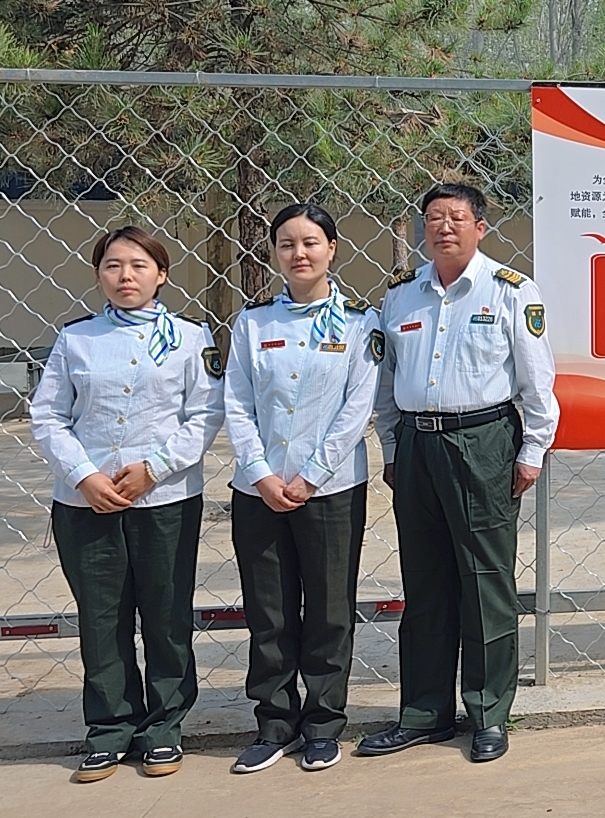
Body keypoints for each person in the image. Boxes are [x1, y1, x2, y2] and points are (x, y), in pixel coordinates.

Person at [358, 183, 559, 763]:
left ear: (480, 228)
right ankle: (424, 714)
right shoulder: (401, 296)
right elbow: (386, 385)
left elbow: (537, 382)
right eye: (434, 218)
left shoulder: (511, 291)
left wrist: (532, 450)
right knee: (424, 584)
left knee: (485, 582)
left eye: (457, 217)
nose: (444, 227)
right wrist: (392, 448)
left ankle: (488, 713)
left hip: (483, 441)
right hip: (416, 446)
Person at [30, 226, 225, 783]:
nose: (125, 277)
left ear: (161, 274)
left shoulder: (190, 337)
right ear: (98, 275)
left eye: (139, 266)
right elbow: (48, 415)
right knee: (102, 619)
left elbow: (205, 414)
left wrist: (154, 469)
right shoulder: (77, 339)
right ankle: (110, 728)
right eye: (113, 266)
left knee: (166, 615)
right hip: (86, 504)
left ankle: (164, 728)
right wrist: (84, 476)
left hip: (164, 500)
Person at [224, 204, 382, 774]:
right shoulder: (253, 323)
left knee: (329, 609)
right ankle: (274, 723)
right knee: (269, 612)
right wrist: (261, 473)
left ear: (332, 248)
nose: (299, 253)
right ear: (273, 252)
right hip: (258, 490)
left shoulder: (361, 323)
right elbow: (237, 402)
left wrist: (311, 474)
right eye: (286, 243)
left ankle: (322, 723)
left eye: (311, 242)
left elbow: (356, 409)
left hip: (332, 489)